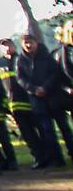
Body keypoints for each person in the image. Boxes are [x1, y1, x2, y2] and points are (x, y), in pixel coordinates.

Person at [16, 33, 69, 169]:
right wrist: (33, 89)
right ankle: (57, 159)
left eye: (31, 42)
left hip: (54, 98)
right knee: (47, 131)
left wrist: (45, 87)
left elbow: (55, 73)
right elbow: (20, 79)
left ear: (36, 42)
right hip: (36, 100)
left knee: (65, 128)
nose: (28, 45)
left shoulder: (47, 56)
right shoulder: (20, 60)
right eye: (26, 43)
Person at [0, 37, 40, 167]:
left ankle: (48, 156)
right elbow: (0, 86)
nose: (7, 48)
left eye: (9, 45)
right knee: (27, 134)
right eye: (4, 46)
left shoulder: (21, 59)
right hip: (14, 105)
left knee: (40, 130)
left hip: (30, 101)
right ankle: (38, 157)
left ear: (14, 46)